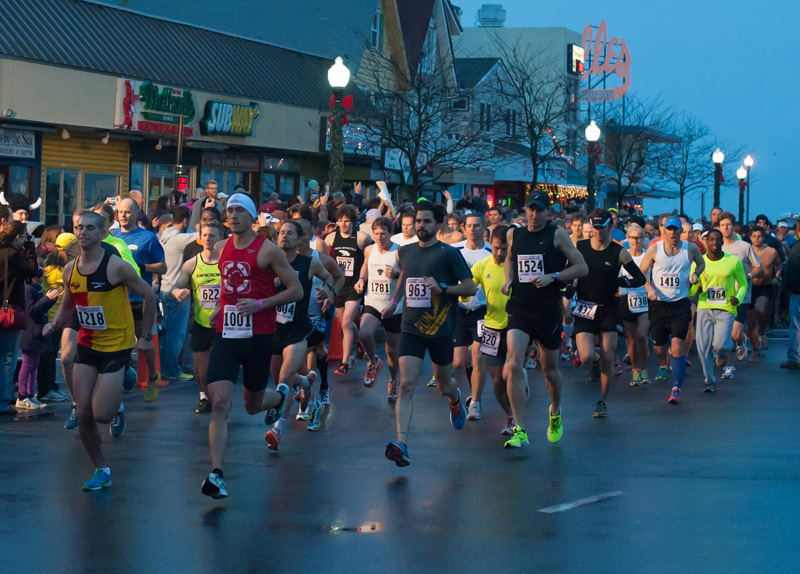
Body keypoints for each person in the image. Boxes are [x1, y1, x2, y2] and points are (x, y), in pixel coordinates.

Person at [43, 210, 157, 491]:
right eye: (78, 227)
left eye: (89, 228)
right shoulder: (70, 270)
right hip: (88, 345)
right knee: (83, 412)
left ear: (102, 233)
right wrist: (54, 324)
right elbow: (68, 305)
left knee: (102, 415)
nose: (82, 232)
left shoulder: (116, 266)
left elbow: (149, 295)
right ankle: (101, 469)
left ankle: (124, 375)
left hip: (116, 346)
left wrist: (145, 336)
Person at [200, 193, 303, 499]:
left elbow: (296, 290)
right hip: (226, 334)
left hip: (259, 336)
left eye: (239, 211)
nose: (232, 216)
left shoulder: (268, 250)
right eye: (229, 210)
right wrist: (221, 308)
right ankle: (217, 474)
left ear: (251, 216)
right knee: (219, 404)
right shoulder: (221, 247)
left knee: (252, 406)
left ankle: (280, 396)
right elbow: (229, 287)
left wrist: (261, 304)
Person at [383, 202, 476, 466]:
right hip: (411, 327)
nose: (421, 226)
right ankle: (402, 443)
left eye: (426, 221)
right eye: (418, 221)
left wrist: (443, 288)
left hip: (441, 329)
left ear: (438, 224)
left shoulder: (449, 254)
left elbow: (469, 288)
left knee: (444, 386)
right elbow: (405, 277)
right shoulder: (404, 252)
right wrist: (394, 302)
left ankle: (456, 399)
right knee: (406, 385)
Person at [500, 190, 588, 448]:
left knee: (549, 371)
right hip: (519, 308)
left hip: (547, 310)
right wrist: (509, 279)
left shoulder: (557, 235)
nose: (534, 214)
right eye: (531, 209)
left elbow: (582, 267)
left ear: (548, 212)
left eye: (539, 210)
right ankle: (520, 429)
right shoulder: (514, 234)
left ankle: (555, 411)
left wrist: (554, 276)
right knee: (513, 364)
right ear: (525, 209)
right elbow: (509, 259)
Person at [266, 219, 334, 446]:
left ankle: (278, 429)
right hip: (274, 330)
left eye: (290, 233)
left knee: (284, 379)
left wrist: (326, 290)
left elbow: (329, 276)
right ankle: (309, 392)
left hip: (298, 331)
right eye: (281, 232)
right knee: (279, 377)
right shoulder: (269, 263)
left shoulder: (310, 262)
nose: (284, 236)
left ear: (299, 240)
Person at [573, 209, 645, 418]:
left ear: (610, 227)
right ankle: (594, 360)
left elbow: (640, 278)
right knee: (586, 356)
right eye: (594, 227)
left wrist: (625, 282)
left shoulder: (619, 252)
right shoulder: (580, 247)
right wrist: (569, 286)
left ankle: (602, 400)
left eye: (601, 227)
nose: (597, 231)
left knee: (608, 356)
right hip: (585, 307)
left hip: (608, 309)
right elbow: (571, 271)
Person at [639, 215, 705, 404]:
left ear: (680, 231)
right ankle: (664, 358)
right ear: (663, 230)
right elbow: (641, 272)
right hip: (659, 304)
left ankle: (676, 388)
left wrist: (695, 274)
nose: (673, 233)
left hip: (680, 304)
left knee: (677, 346)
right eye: (669, 229)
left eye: (676, 229)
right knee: (659, 349)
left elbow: (701, 263)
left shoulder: (690, 248)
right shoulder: (655, 249)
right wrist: (649, 289)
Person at [112, 198, 166, 401]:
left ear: (137, 213)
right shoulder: (112, 237)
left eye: (128, 212)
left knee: (145, 341)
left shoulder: (148, 237)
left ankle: (152, 375)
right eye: (120, 212)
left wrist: (140, 266)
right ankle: (124, 373)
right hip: (117, 298)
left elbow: (163, 267)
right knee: (118, 341)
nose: (123, 215)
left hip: (139, 298)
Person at [171, 220, 224, 414]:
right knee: (201, 372)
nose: (208, 239)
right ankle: (204, 398)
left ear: (221, 238)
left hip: (224, 325)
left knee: (219, 369)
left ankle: (221, 401)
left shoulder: (227, 263)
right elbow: (176, 286)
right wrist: (178, 292)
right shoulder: (192, 263)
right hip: (201, 323)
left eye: (212, 235)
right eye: (205, 235)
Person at [470, 225, 517, 434]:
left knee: (510, 372)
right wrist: (463, 293)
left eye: (504, 249)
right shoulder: (481, 266)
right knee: (497, 379)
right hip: (491, 326)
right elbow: (467, 287)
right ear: (490, 243)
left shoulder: (517, 265)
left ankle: (520, 378)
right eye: (496, 248)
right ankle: (510, 416)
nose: (499, 252)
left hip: (515, 325)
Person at [690, 229, 747, 392]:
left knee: (719, 344)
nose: (715, 243)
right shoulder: (698, 263)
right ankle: (709, 380)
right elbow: (692, 289)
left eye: (718, 239)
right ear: (706, 242)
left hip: (726, 308)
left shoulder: (733, 261)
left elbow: (743, 284)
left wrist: (738, 298)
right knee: (702, 347)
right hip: (704, 307)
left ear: (722, 241)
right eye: (711, 240)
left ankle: (721, 351)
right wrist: (692, 288)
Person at [451, 214, 492, 420]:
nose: (473, 229)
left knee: (478, 356)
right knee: (458, 362)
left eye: (477, 226)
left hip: (483, 311)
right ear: (463, 228)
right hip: (459, 310)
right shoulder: (455, 250)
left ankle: (476, 402)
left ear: (484, 228)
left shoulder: (491, 252)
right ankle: (470, 386)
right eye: (469, 226)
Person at [355, 217, 401, 392]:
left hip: (394, 306)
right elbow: (366, 266)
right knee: (364, 333)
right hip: (373, 301)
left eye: (383, 234)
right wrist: (361, 279)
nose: (379, 238)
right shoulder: (369, 250)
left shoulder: (398, 251)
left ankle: (393, 381)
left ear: (390, 233)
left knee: (392, 351)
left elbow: (407, 275)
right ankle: (373, 362)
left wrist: (396, 275)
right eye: (376, 234)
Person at [325, 204, 372, 376]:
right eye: (340, 221)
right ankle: (359, 341)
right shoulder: (330, 239)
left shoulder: (362, 238)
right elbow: (325, 259)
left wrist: (364, 278)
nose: (344, 224)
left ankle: (345, 363)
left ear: (353, 222)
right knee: (347, 323)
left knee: (346, 322)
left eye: (347, 221)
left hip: (355, 285)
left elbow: (371, 255)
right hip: (339, 286)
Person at [0, 219, 38, 416]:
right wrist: (30, 248)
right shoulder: (13, 255)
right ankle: (2, 402)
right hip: (8, 311)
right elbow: (32, 270)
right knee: (7, 357)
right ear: (18, 236)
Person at [158, 205, 199, 381]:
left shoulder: (162, 237)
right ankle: (172, 371)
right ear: (185, 220)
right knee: (176, 335)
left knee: (166, 334)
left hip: (163, 289)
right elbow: (205, 235)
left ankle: (165, 368)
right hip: (177, 292)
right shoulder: (180, 239)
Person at [719, 211, 762, 365]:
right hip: (721, 295)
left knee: (735, 334)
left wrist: (748, 276)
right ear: (719, 227)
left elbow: (758, 267)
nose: (726, 228)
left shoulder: (744, 246)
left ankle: (740, 340)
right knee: (724, 332)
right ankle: (725, 361)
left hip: (740, 295)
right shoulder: (717, 246)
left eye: (728, 225)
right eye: (722, 225)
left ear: (733, 226)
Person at [619, 225, 651, 385]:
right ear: (627, 239)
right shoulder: (622, 256)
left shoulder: (648, 256)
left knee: (641, 335)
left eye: (638, 237)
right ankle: (635, 369)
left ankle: (644, 368)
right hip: (627, 298)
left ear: (643, 238)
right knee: (631, 339)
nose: (635, 241)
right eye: (631, 237)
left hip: (645, 298)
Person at [748, 225, 781, 361]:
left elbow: (779, 265)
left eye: (759, 236)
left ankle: (762, 332)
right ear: (750, 237)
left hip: (765, 286)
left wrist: (777, 277)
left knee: (760, 309)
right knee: (750, 322)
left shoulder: (771, 251)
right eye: (754, 236)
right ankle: (755, 351)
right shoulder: (746, 251)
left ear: (763, 237)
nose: (757, 239)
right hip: (750, 287)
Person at [781, 219, 800, 370]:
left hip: (797, 292)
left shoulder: (796, 248)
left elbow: (792, 272)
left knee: (796, 326)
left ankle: (794, 358)